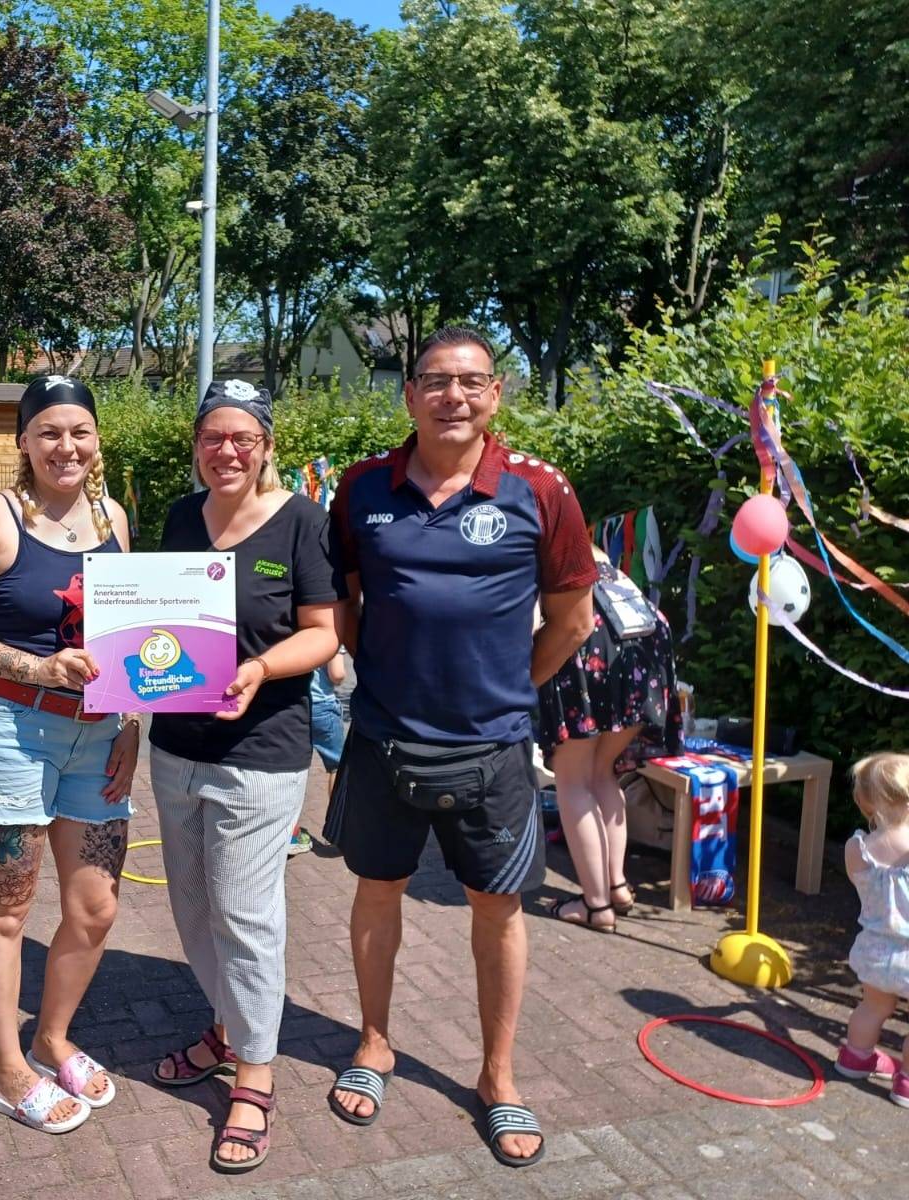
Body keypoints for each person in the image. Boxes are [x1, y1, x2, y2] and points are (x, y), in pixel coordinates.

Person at [326, 327, 596, 1168]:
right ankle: (374, 1043)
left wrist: (506, 689)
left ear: (496, 394)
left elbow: (573, 621)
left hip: (494, 748)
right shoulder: (361, 487)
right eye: (437, 381)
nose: (454, 396)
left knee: (497, 908)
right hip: (383, 737)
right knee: (378, 891)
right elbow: (343, 602)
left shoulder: (540, 488)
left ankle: (498, 1075)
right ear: (410, 394)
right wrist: (372, 670)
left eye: (472, 381)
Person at [0, 375, 137, 1136]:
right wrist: (39, 669)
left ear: (96, 438)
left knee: (95, 906)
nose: (65, 446)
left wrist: (131, 722)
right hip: (12, 732)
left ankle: (52, 1037)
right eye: (48, 431)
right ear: (23, 441)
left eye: (79, 430)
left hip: (98, 735)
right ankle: (7, 1067)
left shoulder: (114, 517)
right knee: (10, 906)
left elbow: (131, 638)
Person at [147, 379, 342, 1173]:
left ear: (266, 445)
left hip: (261, 754)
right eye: (212, 437)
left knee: (245, 913)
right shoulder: (179, 517)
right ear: (196, 444)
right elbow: (156, 621)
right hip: (174, 748)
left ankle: (255, 1075)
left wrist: (260, 669)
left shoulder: (302, 522)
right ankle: (229, 1028)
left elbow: (324, 634)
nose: (226, 451)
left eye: (242, 438)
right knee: (193, 906)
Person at [537, 546, 682, 929]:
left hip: (589, 639)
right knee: (602, 773)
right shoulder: (584, 543)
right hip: (645, 637)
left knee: (572, 781)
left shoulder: (523, 531)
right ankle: (616, 886)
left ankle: (596, 905)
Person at [835, 753, 909, 1106]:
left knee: (872, 1008)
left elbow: (864, 882)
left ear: (864, 802)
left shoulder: (857, 848)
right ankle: (906, 1083)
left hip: (874, 951)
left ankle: (855, 1058)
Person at [290, 651, 347, 856]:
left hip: (294, 706)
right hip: (322, 706)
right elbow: (337, 674)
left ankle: (290, 834)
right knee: (337, 767)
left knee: (292, 769)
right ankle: (339, 831)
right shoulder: (332, 636)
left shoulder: (293, 634)